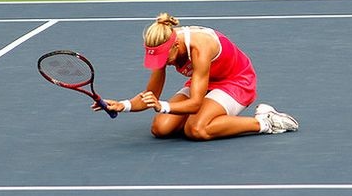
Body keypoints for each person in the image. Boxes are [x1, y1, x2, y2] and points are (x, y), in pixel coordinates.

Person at [93, 13, 299, 141]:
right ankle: (214, 116)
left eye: (166, 58)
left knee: (197, 129)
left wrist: (162, 106)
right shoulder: (163, 50)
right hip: (204, 81)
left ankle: (266, 122)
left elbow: (194, 103)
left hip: (235, 81)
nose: (164, 63)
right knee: (160, 128)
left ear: (175, 45)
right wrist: (123, 105)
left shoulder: (200, 47)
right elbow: (151, 94)